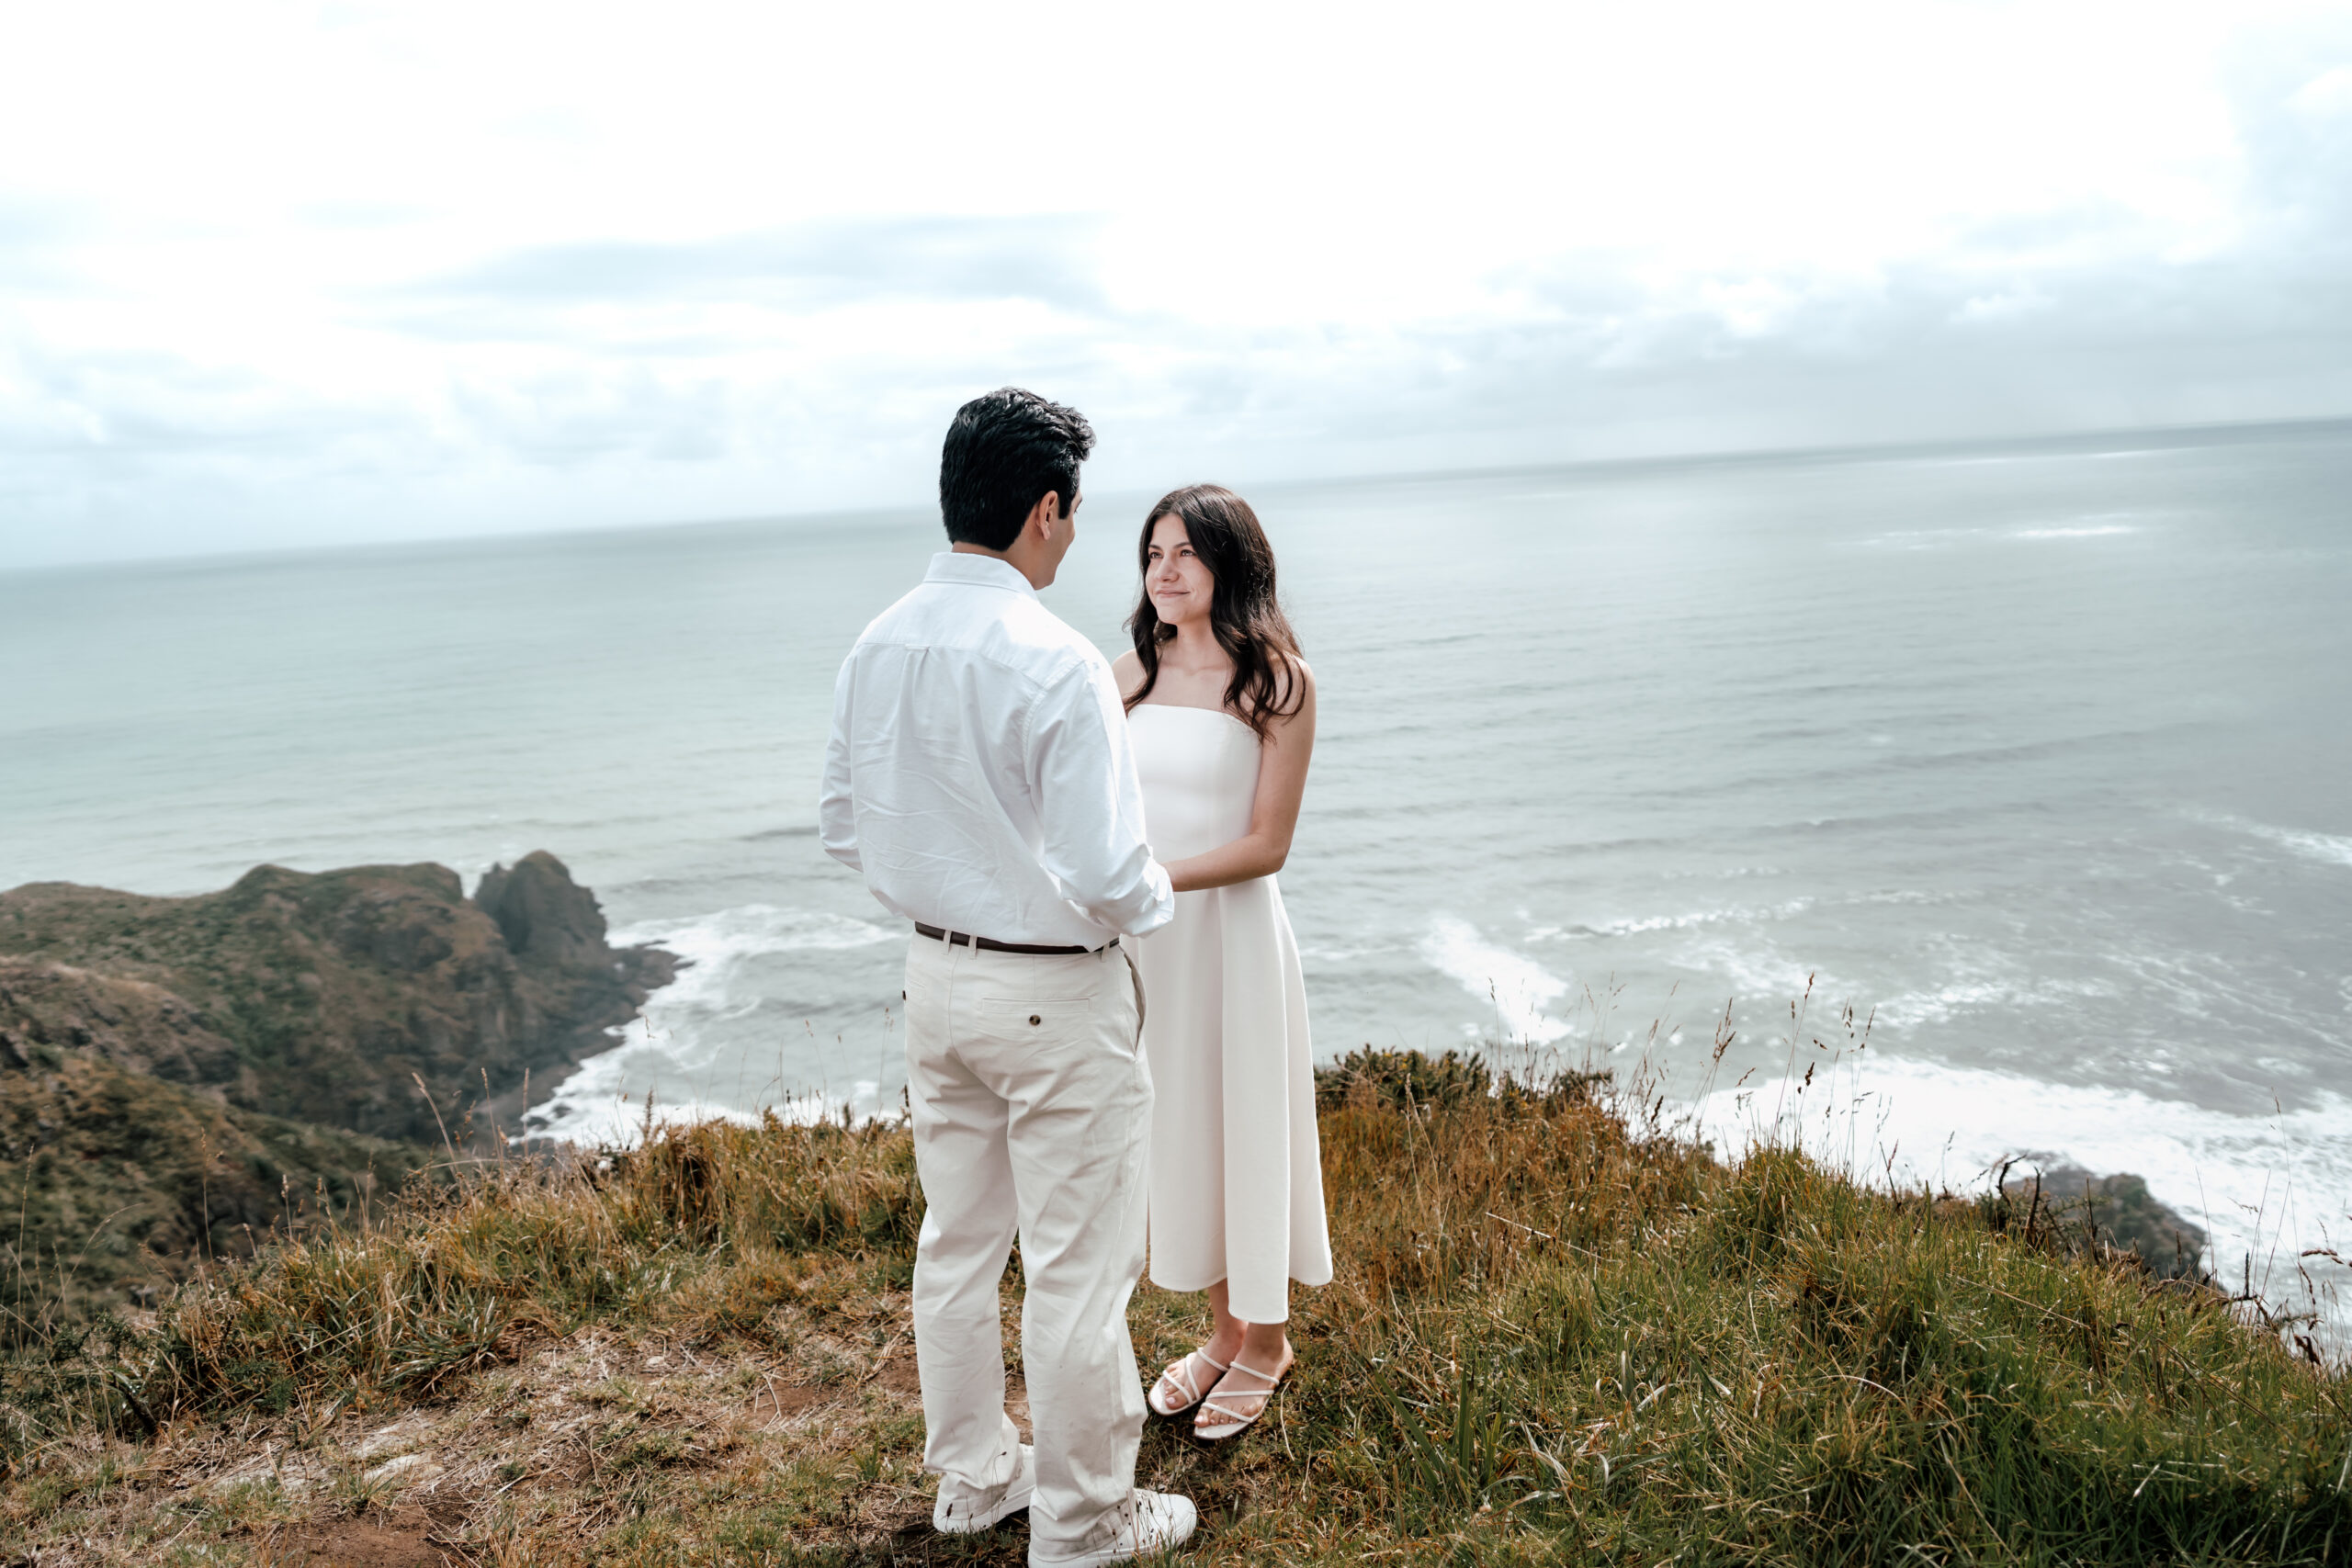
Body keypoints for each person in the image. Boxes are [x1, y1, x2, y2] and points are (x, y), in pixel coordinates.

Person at [820, 389, 1197, 1565]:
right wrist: (1158, 900)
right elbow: (1102, 866)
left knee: (958, 1243)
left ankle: (976, 1479)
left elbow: (843, 825)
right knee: (1081, 1274)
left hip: (934, 980)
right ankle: (1085, 1526)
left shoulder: (876, 639)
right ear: (1043, 511)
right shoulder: (1059, 658)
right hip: (1052, 992)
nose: (1076, 534)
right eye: (1075, 513)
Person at [1113, 484, 1334, 1442]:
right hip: (1147, 946)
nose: (1165, 570)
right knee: (1178, 1131)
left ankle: (1270, 1341)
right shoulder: (1123, 675)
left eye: (1186, 553)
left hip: (1232, 938)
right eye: (1154, 552)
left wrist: (1154, 879)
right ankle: (1221, 1331)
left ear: (1228, 563)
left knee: (1246, 1123)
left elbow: (1268, 844)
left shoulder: (1277, 681)